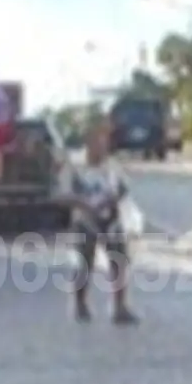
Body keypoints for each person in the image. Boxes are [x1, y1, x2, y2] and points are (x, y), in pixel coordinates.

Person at [66, 124, 137, 324]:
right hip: (85, 220)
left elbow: (123, 188)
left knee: (119, 262)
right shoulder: (76, 166)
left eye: (104, 143)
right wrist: (84, 204)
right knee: (84, 264)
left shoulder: (112, 166)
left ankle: (120, 308)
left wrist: (112, 200)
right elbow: (65, 194)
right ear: (88, 143)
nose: (101, 147)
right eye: (97, 142)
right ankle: (80, 305)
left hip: (110, 219)